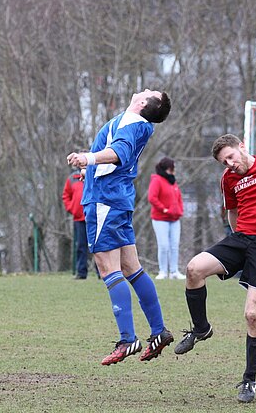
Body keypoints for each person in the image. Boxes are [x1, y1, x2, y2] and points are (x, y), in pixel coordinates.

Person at [174, 134, 256, 403]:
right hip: (241, 239)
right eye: (224, 161)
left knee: (252, 315)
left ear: (242, 146)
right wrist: (237, 248)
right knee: (193, 269)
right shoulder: (228, 179)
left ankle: (249, 381)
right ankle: (201, 329)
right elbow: (232, 211)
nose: (230, 164)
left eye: (231, 156)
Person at [66, 88, 173, 365]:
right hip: (116, 197)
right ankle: (159, 331)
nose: (145, 88)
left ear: (143, 103)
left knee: (108, 269)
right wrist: (89, 170)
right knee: (131, 269)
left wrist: (88, 158)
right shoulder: (133, 122)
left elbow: (118, 152)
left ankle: (128, 339)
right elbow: (114, 156)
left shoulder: (132, 122)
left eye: (151, 92)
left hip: (105, 200)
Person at [148, 157, 185, 280]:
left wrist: (179, 210)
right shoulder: (157, 180)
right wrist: (164, 209)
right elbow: (152, 197)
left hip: (174, 219)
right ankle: (163, 271)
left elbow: (178, 197)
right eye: (173, 167)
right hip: (160, 219)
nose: (174, 169)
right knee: (164, 245)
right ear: (168, 168)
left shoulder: (172, 181)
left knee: (174, 245)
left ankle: (174, 271)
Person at [62, 167, 89, 279]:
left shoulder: (95, 174)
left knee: (98, 246)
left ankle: (102, 273)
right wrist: (72, 208)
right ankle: (81, 272)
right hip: (79, 218)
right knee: (81, 246)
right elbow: (66, 196)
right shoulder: (72, 178)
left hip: (94, 217)